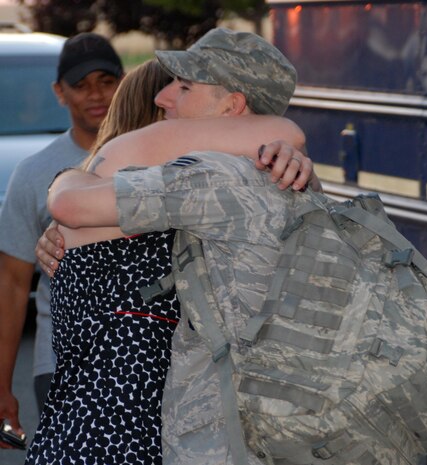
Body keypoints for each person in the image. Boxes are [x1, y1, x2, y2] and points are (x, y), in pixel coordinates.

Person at [30, 29, 315, 465]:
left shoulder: (199, 179)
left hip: (107, 433)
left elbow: (69, 204)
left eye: (184, 87)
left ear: (233, 107)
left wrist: (68, 179)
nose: (164, 97)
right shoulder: (293, 185)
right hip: (154, 432)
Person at [0, 32, 123, 448]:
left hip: (152, 359)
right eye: (81, 84)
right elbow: (14, 285)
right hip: (61, 364)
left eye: (106, 81)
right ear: (59, 92)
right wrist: (2, 385)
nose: (96, 94)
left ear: (123, 83)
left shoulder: (156, 159)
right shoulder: (33, 173)